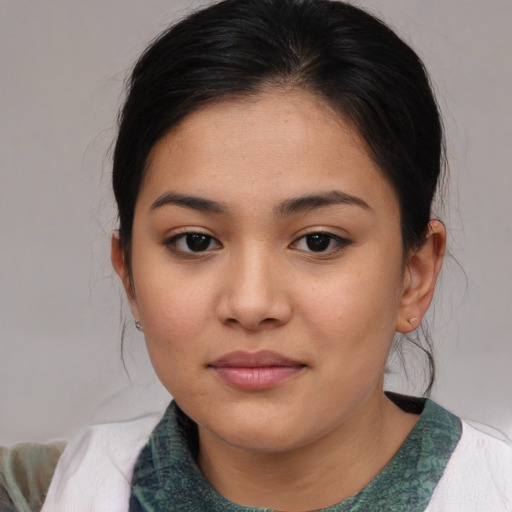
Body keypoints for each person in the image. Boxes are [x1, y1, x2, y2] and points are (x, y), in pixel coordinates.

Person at [1, 0, 511, 510]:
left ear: (414, 276)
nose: (250, 303)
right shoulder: (41, 493)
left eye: (318, 241)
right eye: (195, 241)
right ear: (129, 274)